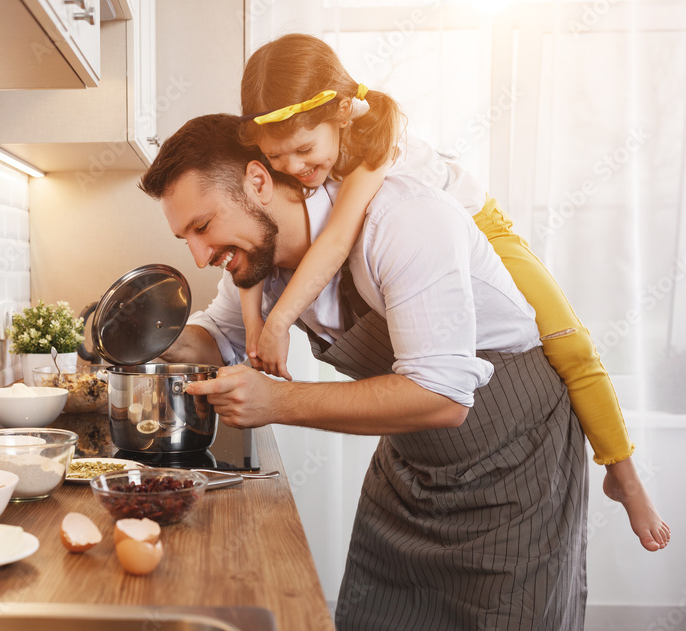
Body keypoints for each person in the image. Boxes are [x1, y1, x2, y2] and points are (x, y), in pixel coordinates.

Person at [139, 112, 589, 629]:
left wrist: (278, 402)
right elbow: (217, 339)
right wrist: (144, 333)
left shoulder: (404, 220)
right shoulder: (261, 264)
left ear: (257, 182)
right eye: (185, 239)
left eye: (203, 227)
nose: (199, 256)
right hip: (412, 467)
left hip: (513, 461)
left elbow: (441, 399)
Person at [235, 33, 669, 552]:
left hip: (480, 228)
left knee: (569, 343)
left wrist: (280, 321)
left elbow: (336, 238)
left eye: (304, 150)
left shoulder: (378, 139)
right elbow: (254, 232)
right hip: (428, 256)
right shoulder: (303, 160)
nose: (293, 169)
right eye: (276, 158)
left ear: (344, 111)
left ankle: (623, 473)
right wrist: (255, 323)